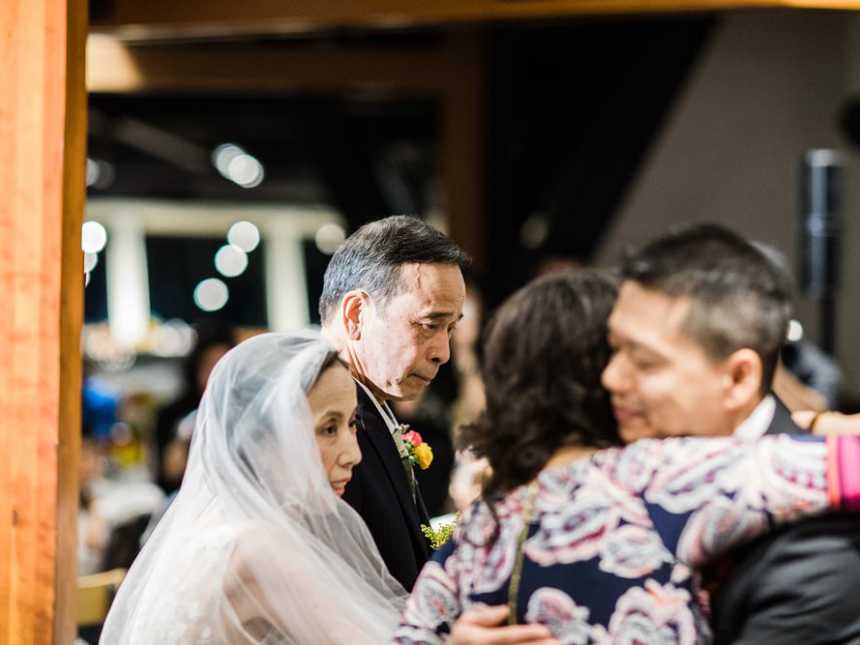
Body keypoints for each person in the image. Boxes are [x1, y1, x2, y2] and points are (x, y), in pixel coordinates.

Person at [393, 269, 860, 644]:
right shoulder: (658, 478)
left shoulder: (480, 531)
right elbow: (841, 468)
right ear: (610, 375)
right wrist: (819, 425)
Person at [601, 223, 860, 644]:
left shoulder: (817, 547)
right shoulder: (612, 467)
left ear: (739, 378)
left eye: (645, 362)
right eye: (613, 349)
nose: (611, 377)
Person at [100, 332, 406, 644]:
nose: (353, 454)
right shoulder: (257, 549)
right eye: (329, 428)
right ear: (263, 439)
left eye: (352, 424)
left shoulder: (220, 527)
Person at [320, 215, 468, 591]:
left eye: (451, 329)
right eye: (429, 324)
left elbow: (395, 540)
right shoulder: (318, 424)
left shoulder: (372, 404)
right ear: (356, 315)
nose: (444, 353)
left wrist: (470, 522)